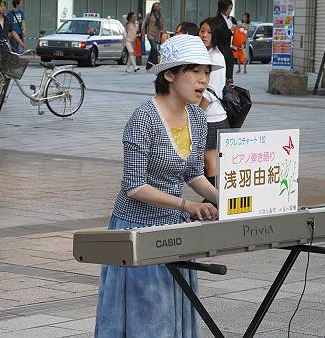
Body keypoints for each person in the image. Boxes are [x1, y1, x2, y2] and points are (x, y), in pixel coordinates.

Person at [94, 34, 220, 338]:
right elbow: (134, 187)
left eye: (207, 72)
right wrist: (188, 205)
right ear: (169, 74)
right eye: (195, 71)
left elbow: (192, 173)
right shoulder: (143, 120)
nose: (203, 80)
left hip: (174, 230)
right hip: (137, 230)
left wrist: (228, 198)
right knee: (148, 317)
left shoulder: (197, 117)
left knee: (172, 314)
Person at [198, 17, 228, 190]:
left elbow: (210, 93)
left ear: (216, 35)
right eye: (202, 30)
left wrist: (194, 115)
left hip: (213, 119)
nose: (204, 35)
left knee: (210, 164)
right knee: (207, 164)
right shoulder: (204, 54)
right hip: (207, 118)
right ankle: (214, 201)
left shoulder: (216, 57)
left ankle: (216, 202)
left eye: (209, 32)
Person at [214, 0, 237, 82]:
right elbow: (219, 34)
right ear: (223, 8)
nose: (230, 11)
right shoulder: (217, 20)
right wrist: (231, 30)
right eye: (229, 9)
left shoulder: (232, 19)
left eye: (231, 9)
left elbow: (236, 32)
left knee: (229, 76)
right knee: (221, 75)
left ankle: (229, 87)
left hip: (230, 49)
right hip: (221, 49)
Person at [141, 2, 167, 70]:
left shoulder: (161, 16)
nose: (157, 8)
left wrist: (164, 33)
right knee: (154, 48)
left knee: (153, 50)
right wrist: (143, 34)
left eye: (158, 6)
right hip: (150, 34)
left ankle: (149, 65)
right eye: (155, 6)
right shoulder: (149, 15)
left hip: (157, 35)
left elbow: (164, 26)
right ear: (153, 7)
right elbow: (143, 24)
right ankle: (155, 63)